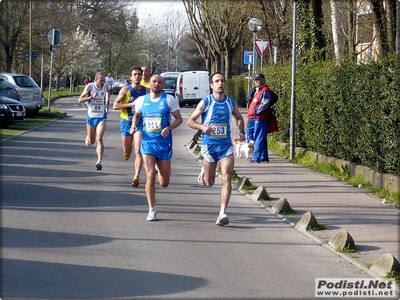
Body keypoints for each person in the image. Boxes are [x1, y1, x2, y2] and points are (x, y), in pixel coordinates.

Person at [187, 72, 246, 226]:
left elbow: (239, 118)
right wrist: (202, 127)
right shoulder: (205, 102)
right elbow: (190, 121)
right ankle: (204, 172)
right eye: (217, 81)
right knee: (209, 182)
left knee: (227, 177)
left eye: (222, 81)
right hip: (209, 145)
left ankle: (222, 213)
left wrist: (241, 132)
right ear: (211, 85)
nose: (220, 84)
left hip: (225, 145)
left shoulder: (230, 102)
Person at [130, 75, 183, 221]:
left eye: (159, 82)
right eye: (154, 81)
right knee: (150, 175)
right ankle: (151, 209)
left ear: (163, 84)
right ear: (149, 84)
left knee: (164, 183)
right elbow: (137, 116)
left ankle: (159, 168)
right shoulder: (142, 100)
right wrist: (134, 125)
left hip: (164, 144)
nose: (156, 84)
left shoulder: (169, 100)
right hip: (147, 142)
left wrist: (169, 128)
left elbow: (179, 119)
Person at [113, 66, 149, 187]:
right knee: (127, 151)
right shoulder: (125, 90)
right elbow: (115, 106)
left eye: (139, 74)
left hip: (140, 122)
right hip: (126, 121)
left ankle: (136, 176)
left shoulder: (146, 91)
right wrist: (131, 104)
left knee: (138, 149)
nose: (137, 76)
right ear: (131, 77)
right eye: (135, 74)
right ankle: (127, 152)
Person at [78, 72, 110, 170]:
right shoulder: (90, 87)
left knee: (99, 139)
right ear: (95, 80)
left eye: (104, 80)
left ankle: (99, 161)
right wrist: (91, 97)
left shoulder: (105, 86)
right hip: (91, 117)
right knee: (92, 142)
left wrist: (107, 104)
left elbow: (108, 92)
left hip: (101, 116)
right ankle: (88, 137)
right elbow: (80, 100)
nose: (103, 82)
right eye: (101, 80)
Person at [246, 73, 272, 163]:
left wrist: (256, 111)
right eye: (255, 80)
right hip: (253, 117)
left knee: (259, 137)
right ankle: (263, 156)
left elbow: (264, 104)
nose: (256, 81)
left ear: (263, 80)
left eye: (258, 79)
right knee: (252, 134)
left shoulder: (265, 91)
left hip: (259, 117)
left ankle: (256, 157)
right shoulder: (257, 90)